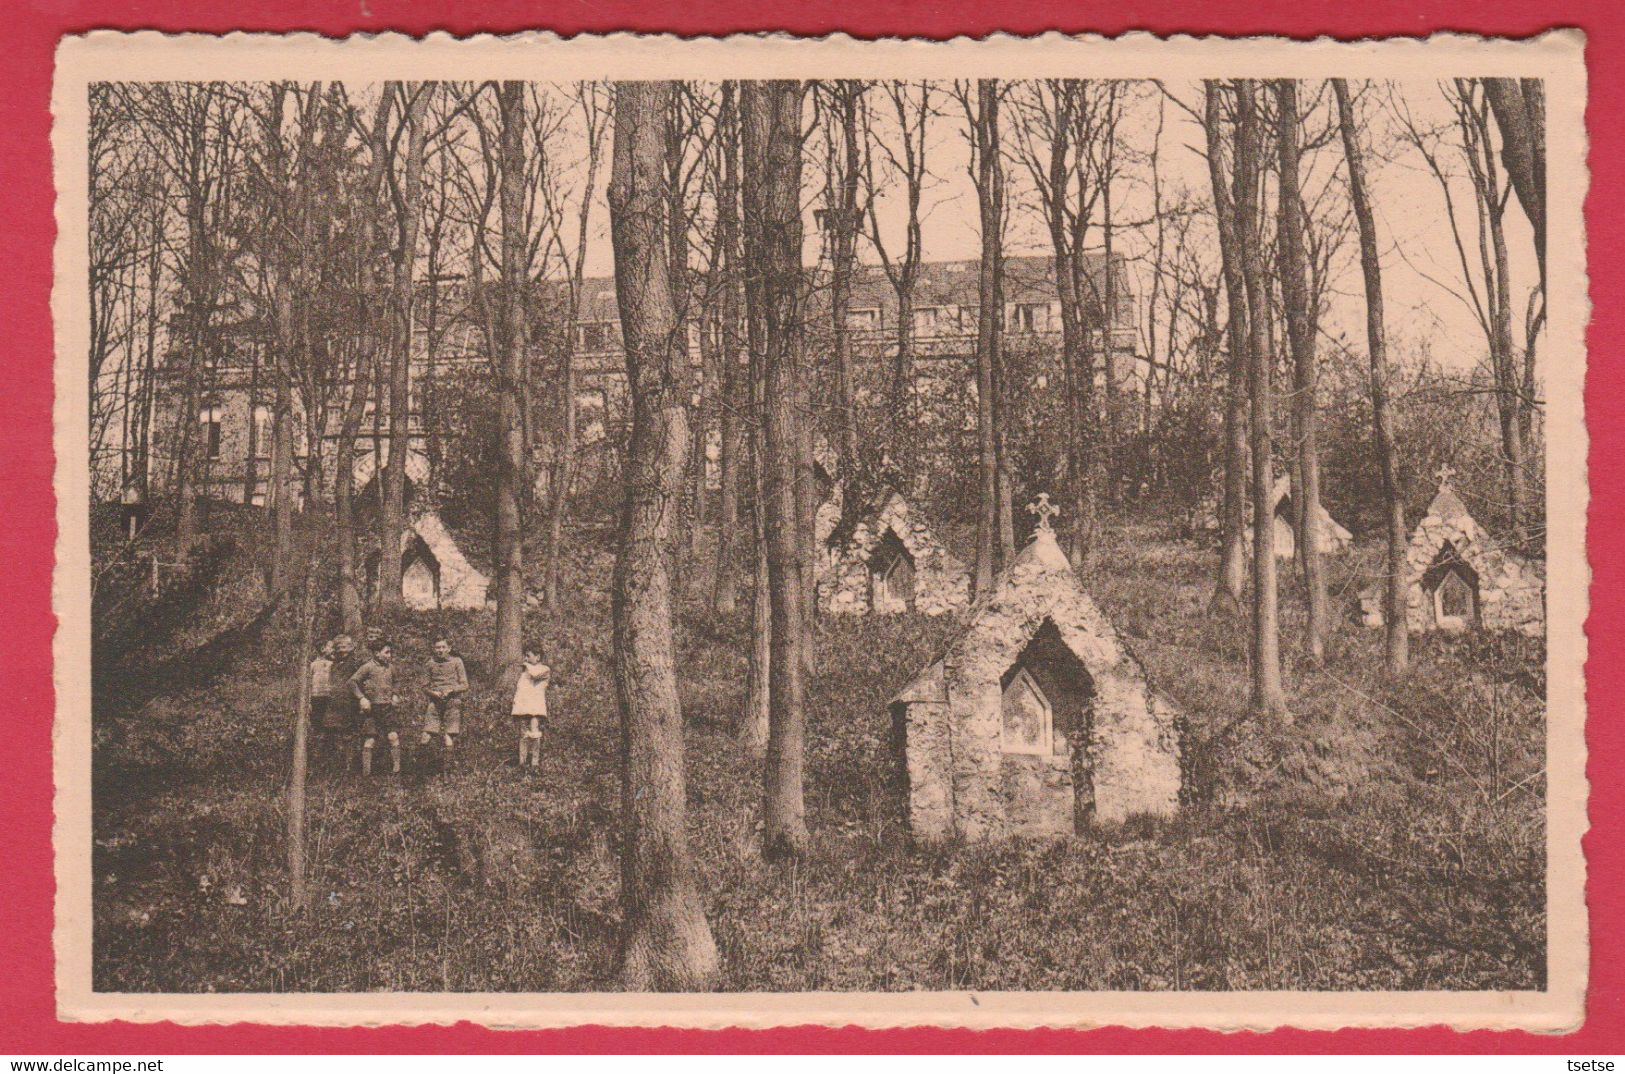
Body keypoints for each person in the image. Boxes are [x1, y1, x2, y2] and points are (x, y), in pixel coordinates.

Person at [349, 640, 401, 776]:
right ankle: (366, 773)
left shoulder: (391, 668)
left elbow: (396, 682)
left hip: (388, 708)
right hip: (372, 709)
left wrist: (395, 694)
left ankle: (397, 769)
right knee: (370, 739)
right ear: (377, 654)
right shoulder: (367, 667)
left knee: (393, 736)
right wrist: (362, 698)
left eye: (390, 652)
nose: (389, 655)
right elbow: (352, 682)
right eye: (386, 652)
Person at [420, 638, 468, 755]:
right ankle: (420, 767)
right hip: (435, 701)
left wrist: (452, 690)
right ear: (434, 649)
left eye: (443, 647)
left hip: (453, 701)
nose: (440, 650)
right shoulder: (430, 664)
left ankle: (448, 769)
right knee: (426, 734)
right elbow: (424, 686)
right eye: (438, 648)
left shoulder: (457, 661)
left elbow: (465, 685)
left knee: (448, 736)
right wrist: (433, 693)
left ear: (449, 648)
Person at [328, 633, 365, 771]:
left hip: (351, 703)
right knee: (335, 732)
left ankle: (351, 765)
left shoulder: (355, 663)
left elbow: (360, 683)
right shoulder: (334, 665)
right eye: (338, 647)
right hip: (336, 703)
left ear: (351, 647)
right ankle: (339, 764)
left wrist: (361, 699)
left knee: (350, 733)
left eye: (344, 647)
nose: (341, 650)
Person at [511, 645, 550, 770]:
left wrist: (526, 665)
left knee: (534, 732)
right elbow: (520, 689)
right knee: (523, 734)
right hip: (524, 706)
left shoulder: (544, 669)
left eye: (528, 656)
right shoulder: (525, 672)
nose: (526, 659)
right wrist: (516, 704)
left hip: (535, 706)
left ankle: (535, 762)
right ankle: (522, 762)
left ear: (538, 657)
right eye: (525, 656)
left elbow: (535, 674)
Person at [308, 639, 338, 767]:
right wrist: (308, 702)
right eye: (330, 647)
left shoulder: (333, 664)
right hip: (316, 698)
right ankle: (316, 758)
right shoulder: (313, 665)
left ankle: (329, 758)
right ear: (322, 649)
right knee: (317, 727)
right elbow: (308, 684)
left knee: (330, 727)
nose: (333, 650)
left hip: (329, 698)